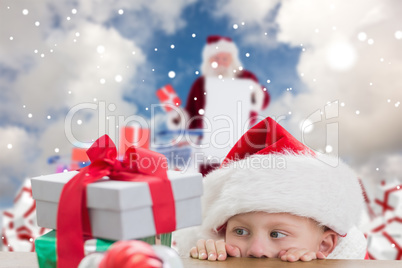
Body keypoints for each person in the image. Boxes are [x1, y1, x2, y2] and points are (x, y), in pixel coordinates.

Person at [173, 116, 368, 261]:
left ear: (324, 245)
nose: (256, 250)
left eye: (277, 234)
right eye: (240, 231)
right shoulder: (218, 253)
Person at [169, 35, 270, 175]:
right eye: (216, 59)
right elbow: (191, 113)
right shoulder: (200, 84)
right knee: (208, 184)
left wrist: (255, 95)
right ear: (209, 61)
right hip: (210, 146)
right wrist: (179, 118)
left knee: (238, 180)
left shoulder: (246, 78)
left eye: (225, 58)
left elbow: (262, 101)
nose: (220, 62)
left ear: (232, 60)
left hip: (239, 141)